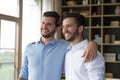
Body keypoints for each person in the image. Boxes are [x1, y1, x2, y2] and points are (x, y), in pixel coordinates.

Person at [18, 11, 98, 80]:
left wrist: (93, 44)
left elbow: (79, 44)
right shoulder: (29, 48)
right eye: (43, 23)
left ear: (57, 28)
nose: (44, 27)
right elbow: (23, 75)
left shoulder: (64, 46)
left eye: (49, 24)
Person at [62, 12, 105, 80]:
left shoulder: (91, 52)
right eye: (63, 27)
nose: (65, 30)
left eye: (69, 26)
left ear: (80, 29)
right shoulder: (67, 52)